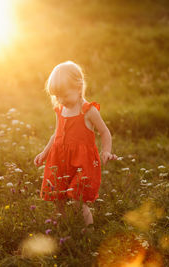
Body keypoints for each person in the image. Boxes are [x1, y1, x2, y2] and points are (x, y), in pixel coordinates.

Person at [34, 61, 117, 232]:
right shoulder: (60, 110)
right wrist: (45, 152)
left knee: (78, 199)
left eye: (64, 95)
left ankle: (89, 232)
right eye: (57, 96)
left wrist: (106, 151)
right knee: (59, 198)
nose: (61, 100)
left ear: (79, 88)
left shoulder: (88, 111)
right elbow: (56, 134)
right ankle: (64, 228)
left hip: (82, 162)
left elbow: (105, 132)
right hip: (60, 160)